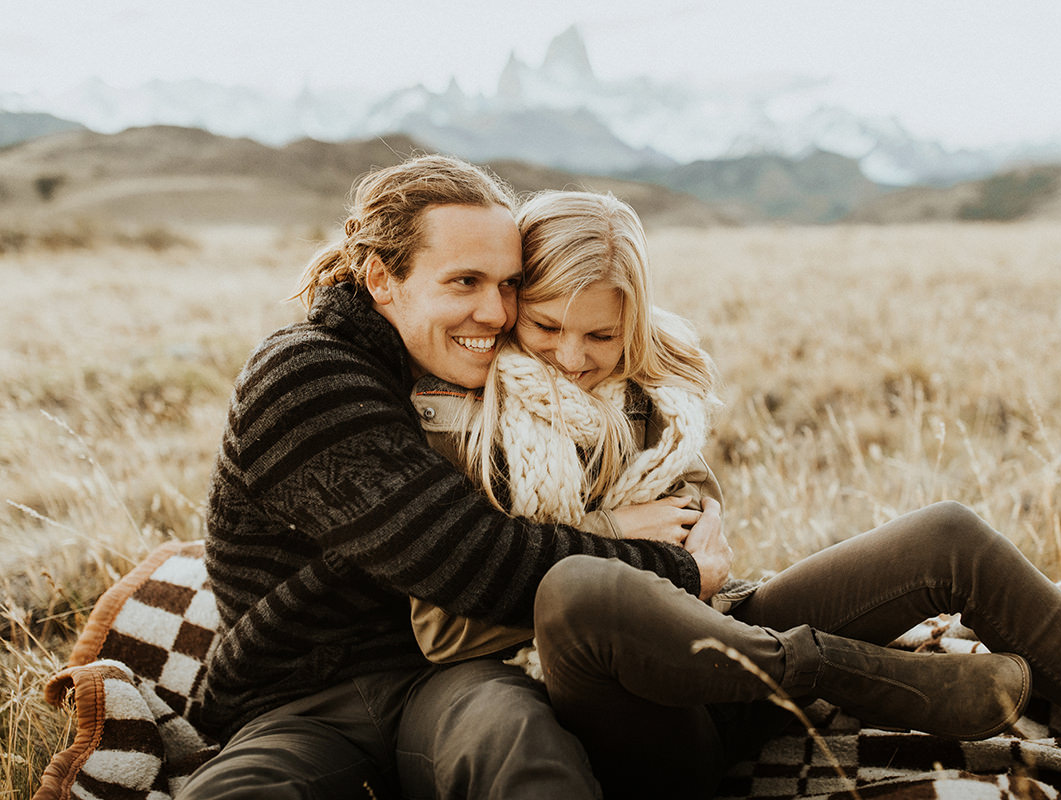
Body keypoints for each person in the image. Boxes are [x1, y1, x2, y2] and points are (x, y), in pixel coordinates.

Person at [409, 190, 1061, 800]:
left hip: (726, 659)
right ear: (513, 307)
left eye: (602, 336)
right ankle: (840, 671)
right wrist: (619, 538)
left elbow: (702, 559)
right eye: (547, 327)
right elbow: (442, 634)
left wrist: (692, 558)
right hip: (627, 720)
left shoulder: (656, 400)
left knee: (946, 534)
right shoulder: (467, 419)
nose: (574, 357)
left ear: (635, 325)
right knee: (581, 589)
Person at [182, 155, 726, 800]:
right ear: (382, 278)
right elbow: (472, 560)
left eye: (508, 285)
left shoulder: (478, 385)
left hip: (455, 679)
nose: (496, 314)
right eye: (465, 281)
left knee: (525, 755)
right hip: (302, 697)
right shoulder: (304, 376)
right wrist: (666, 564)